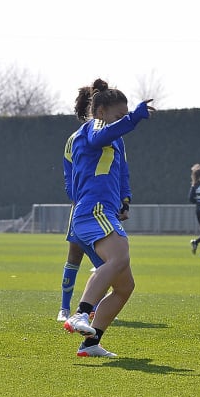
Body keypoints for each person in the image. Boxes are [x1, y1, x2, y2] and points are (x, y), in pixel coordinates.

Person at [61, 79, 152, 357]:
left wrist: (125, 200)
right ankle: (80, 313)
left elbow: (122, 171)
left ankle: (90, 344)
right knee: (119, 257)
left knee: (125, 287)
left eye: (124, 117)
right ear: (99, 112)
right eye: (118, 117)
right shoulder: (94, 129)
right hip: (93, 210)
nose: (121, 123)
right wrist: (134, 118)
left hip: (100, 211)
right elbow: (96, 142)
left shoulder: (114, 139)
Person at [57, 86, 104, 322]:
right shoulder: (75, 138)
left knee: (104, 260)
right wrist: (76, 197)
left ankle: (86, 307)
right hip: (83, 206)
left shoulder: (110, 136)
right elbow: (69, 173)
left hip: (102, 207)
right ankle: (66, 309)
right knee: (76, 256)